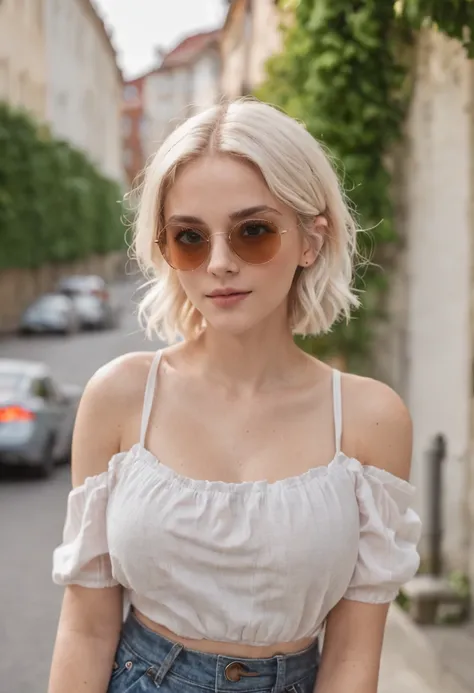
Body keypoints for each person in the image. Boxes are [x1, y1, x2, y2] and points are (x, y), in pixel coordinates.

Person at [48, 99, 421, 693]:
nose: (219, 263)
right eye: (190, 237)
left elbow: (353, 654)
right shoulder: (119, 397)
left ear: (310, 239)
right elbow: (87, 630)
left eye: (252, 231)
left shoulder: (369, 419)